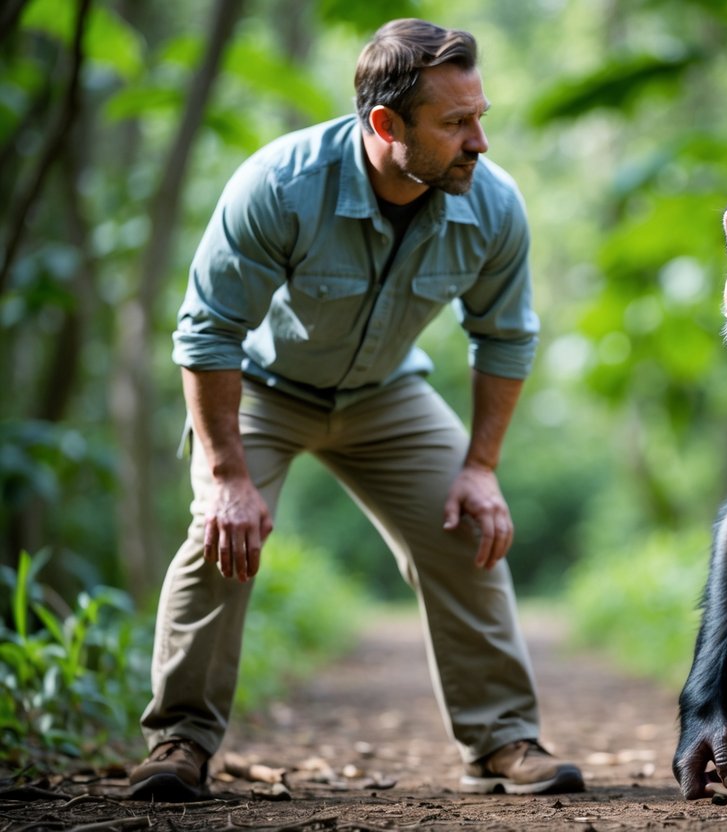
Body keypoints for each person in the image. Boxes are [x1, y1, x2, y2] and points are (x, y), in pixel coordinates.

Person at [128, 18, 584, 801]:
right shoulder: (279, 185)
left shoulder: (493, 204)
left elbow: (504, 340)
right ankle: (179, 741)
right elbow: (208, 334)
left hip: (386, 396)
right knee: (220, 537)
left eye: (480, 117)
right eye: (455, 123)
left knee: (470, 530)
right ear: (384, 125)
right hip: (265, 392)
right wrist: (226, 476)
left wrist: (480, 467)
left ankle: (501, 740)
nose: (478, 141)